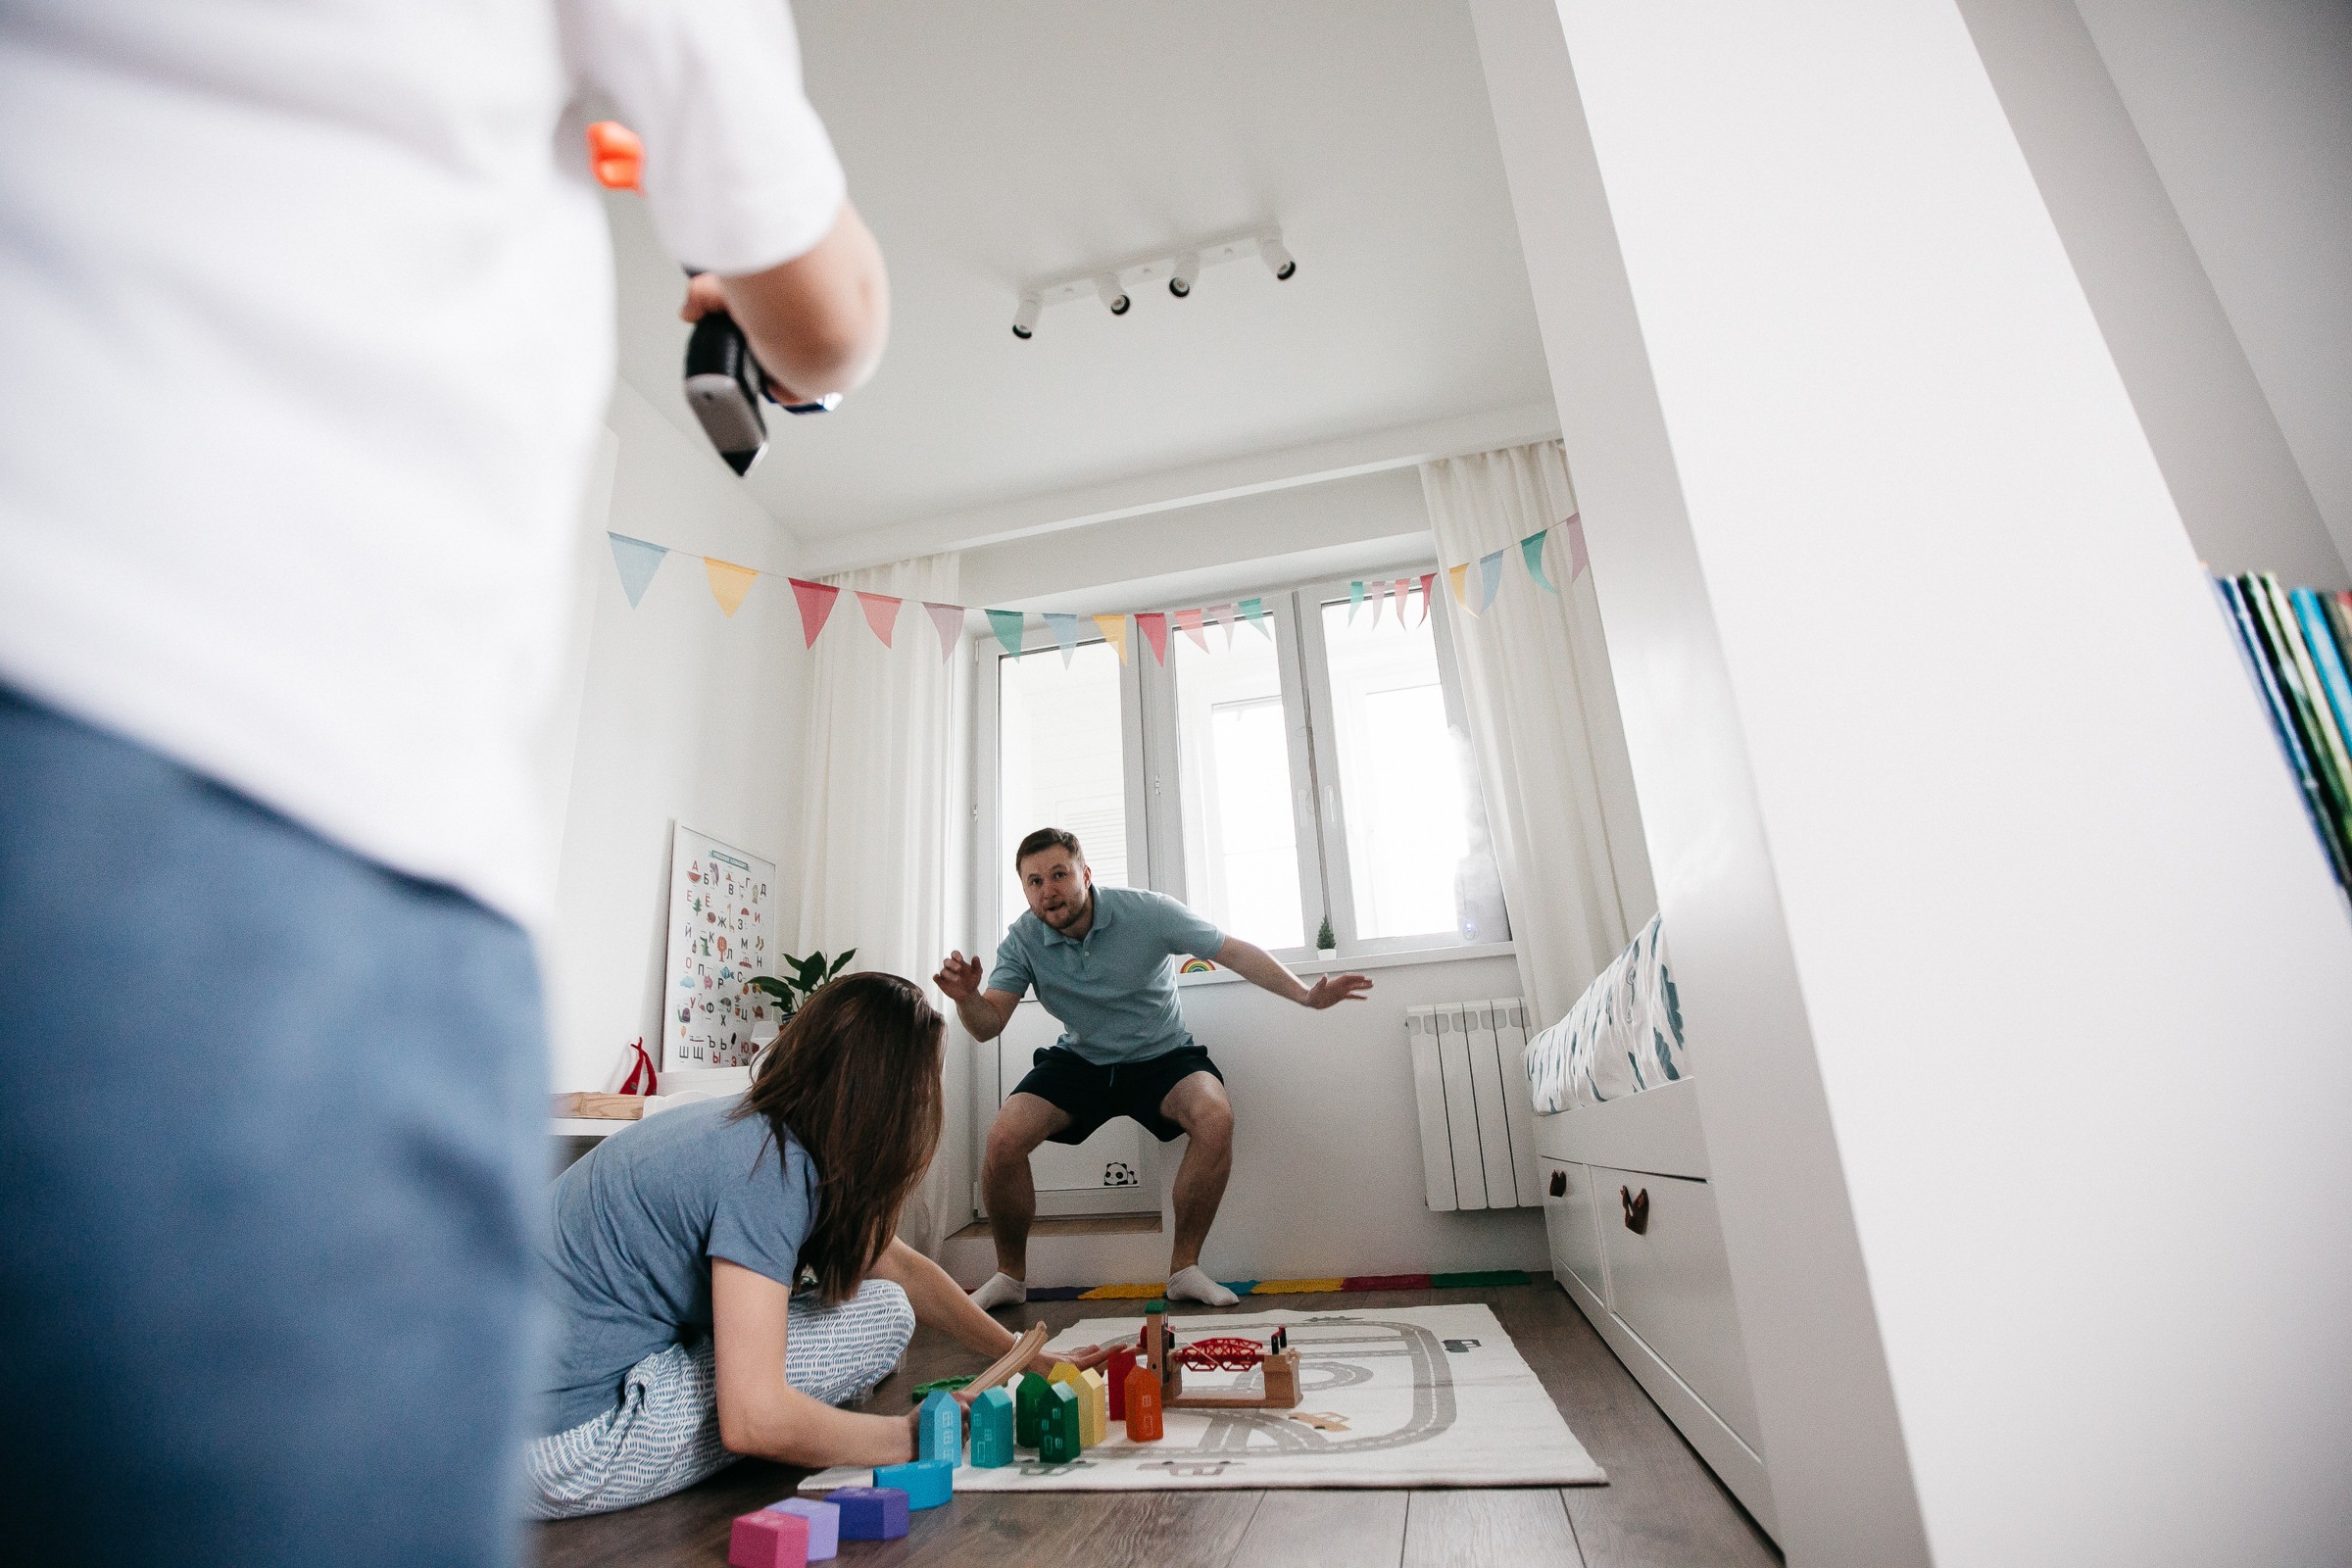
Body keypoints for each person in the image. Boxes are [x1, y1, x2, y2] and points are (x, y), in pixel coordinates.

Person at [0, 3, 884, 1565]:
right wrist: (730, 281)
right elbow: (826, 324)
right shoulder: (763, 1164)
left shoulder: (737, 1140)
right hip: (276, 795)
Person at [528, 974, 1095, 1516]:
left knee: (887, 1308)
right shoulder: (769, 1172)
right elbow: (752, 1419)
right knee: (854, 1338)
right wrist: (904, 1436)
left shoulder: (755, 1128)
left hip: (493, 1419)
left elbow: (898, 1266)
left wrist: (1023, 1355)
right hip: (562, 1452)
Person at [936, 828, 1373, 1312]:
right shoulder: (1022, 938)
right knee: (1003, 1139)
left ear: (1084, 873)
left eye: (1059, 875)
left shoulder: (1146, 911)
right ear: (1025, 891)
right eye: (1034, 882)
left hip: (1162, 1056)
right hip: (1081, 1060)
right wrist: (968, 999)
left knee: (1214, 1117)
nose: (1048, 891)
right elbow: (987, 1025)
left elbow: (1233, 951)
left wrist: (1307, 996)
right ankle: (1009, 1277)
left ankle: (1185, 1270)